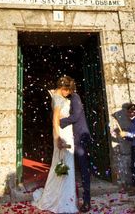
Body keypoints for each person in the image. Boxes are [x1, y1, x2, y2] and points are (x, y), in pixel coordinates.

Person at [33, 76, 78, 213]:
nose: (70, 93)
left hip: (66, 133)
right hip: (62, 135)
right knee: (63, 165)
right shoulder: (58, 99)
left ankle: (63, 197)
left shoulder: (57, 97)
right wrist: (58, 138)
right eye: (69, 90)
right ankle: (62, 200)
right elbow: (55, 119)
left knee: (62, 166)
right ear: (63, 88)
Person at [58, 76, 91, 212]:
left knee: (84, 169)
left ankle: (87, 201)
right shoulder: (69, 99)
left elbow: (76, 116)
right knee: (79, 167)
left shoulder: (76, 97)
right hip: (75, 136)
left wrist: (61, 121)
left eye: (64, 89)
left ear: (69, 89)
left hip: (81, 136)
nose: (62, 91)